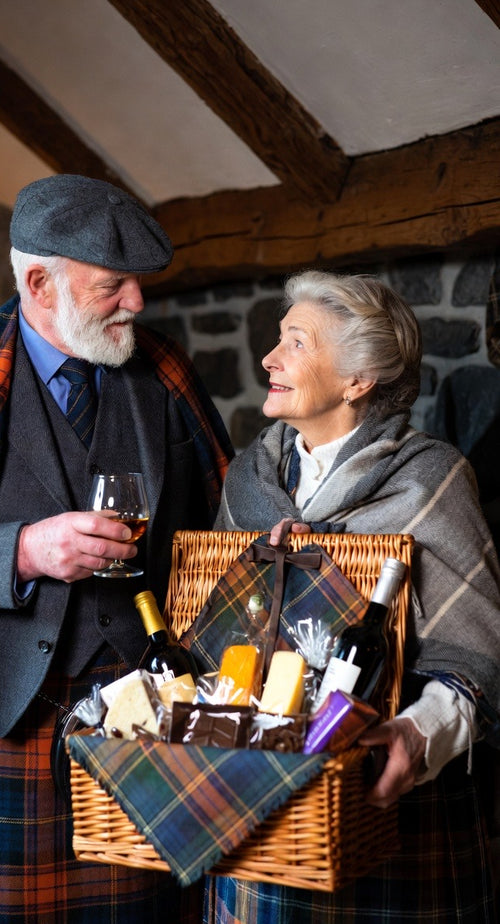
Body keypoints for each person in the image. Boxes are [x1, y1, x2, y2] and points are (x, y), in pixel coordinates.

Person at [0, 174, 234, 923]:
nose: (137, 302)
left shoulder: (161, 370)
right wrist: (23, 551)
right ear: (39, 283)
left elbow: (226, 503)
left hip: (147, 717)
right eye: (114, 286)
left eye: (136, 282)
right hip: (3, 723)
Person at [211, 270, 500, 922]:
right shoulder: (248, 482)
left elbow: (480, 650)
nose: (269, 357)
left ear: (357, 380)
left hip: (392, 803)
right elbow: (219, 636)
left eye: (296, 342)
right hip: (264, 798)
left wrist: (419, 732)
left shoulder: (430, 479)